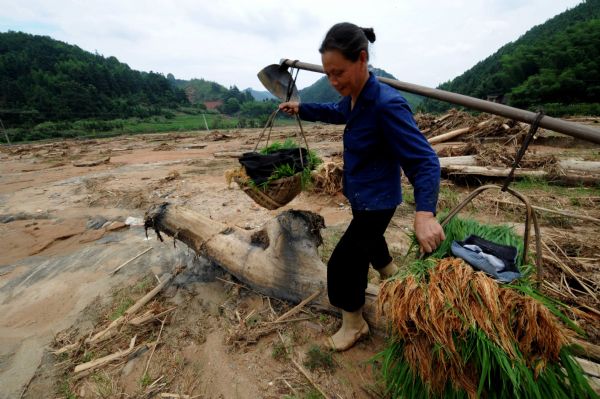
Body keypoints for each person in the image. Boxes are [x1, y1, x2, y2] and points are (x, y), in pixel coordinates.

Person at [279, 22, 445, 351]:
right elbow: (334, 110)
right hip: (360, 195)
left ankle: (354, 324)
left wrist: (425, 212)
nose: (334, 81)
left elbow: (425, 161)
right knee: (368, 242)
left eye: (339, 72)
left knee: (343, 263)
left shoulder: (386, 105)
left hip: (378, 201)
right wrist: (302, 108)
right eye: (328, 74)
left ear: (362, 59)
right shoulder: (354, 97)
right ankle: (391, 275)